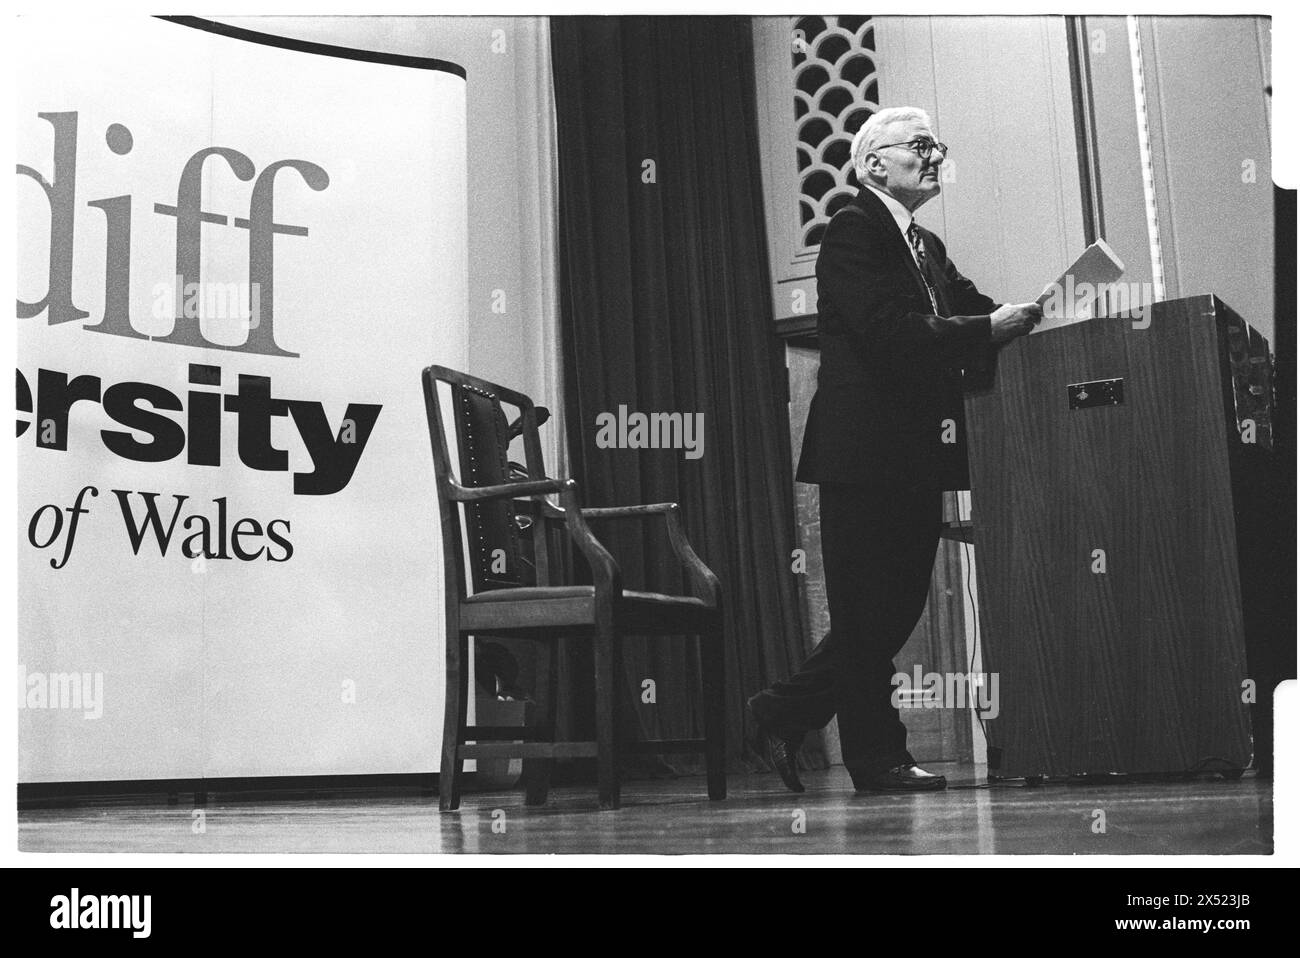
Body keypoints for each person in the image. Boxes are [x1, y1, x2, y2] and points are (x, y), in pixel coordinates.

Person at [748, 106, 1041, 792]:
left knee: (891, 607)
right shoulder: (853, 231)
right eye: (921, 145)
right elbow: (888, 329)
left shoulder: (927, 247)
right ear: (875, 163)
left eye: (938, 143)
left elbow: (972, 310)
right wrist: (984, 325)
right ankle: (876, 759)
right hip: (861, 450)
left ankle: (777, 711)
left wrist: (1032, 317)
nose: (936, 155)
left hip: (914, 452)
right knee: (865, 609)